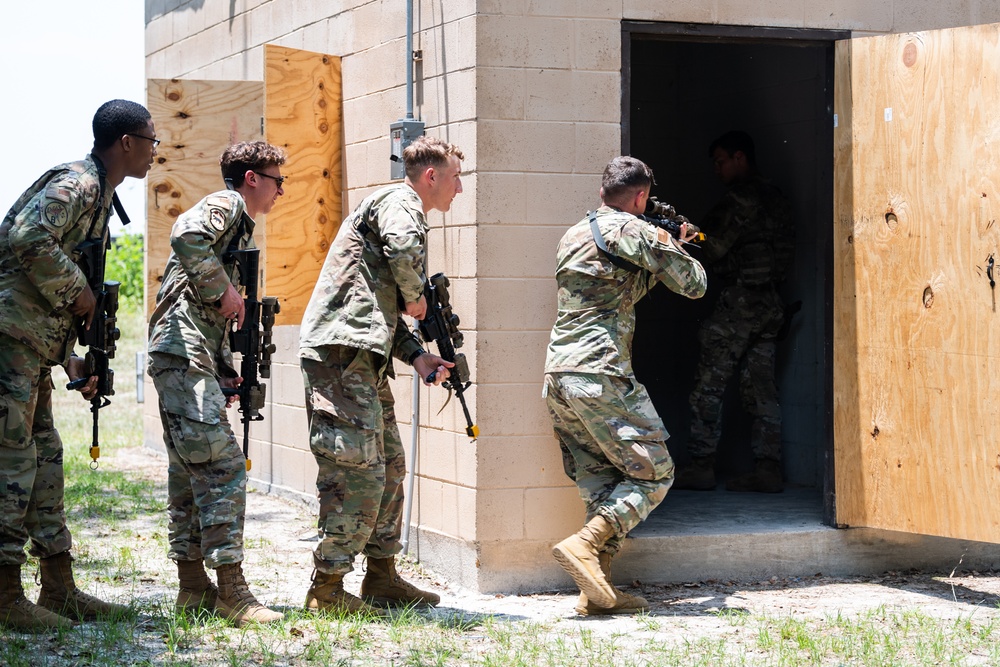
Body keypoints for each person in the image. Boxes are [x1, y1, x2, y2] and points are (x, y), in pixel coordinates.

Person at [0, 99, 155, 630]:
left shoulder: (101, 196)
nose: (155, 151)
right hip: (8, 340)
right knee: (12, 459)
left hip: (30, 345)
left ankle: (59, 588)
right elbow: (25, 239)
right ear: (126, 144)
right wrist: (82, 295)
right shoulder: (79, 184)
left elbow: (48, 289)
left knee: (44, 456)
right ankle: (3, 595)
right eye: (150, 140)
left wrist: (71, 358)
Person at [298, 135, 462, 615]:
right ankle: (325, 588)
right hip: (340, 355)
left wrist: (417, 356)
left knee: (389, 465)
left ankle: (382, 576)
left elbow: (378, 309)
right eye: (455, 178)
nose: (459, 189)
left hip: (363, 355)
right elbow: (401, 248)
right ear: (430, 176)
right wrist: (416, 295)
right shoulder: (400, 202)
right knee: (357, 468)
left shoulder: (399, 209)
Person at [544, 156, 707, 616]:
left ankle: (595, 593)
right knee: (655, 471)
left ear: (602, 193)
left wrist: (655, 256)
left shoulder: (575, 234)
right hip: (601, 371)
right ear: (640, 198)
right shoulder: (636, 231)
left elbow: (615, 291)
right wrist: (673, 244)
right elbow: (694, 284)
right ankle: (585, 544)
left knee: (603, 481)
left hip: (561, 375)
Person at [147, 140, 287, 626]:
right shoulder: (227, 204)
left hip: (187, 353)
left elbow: (198, 305)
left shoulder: (237, 227)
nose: (280, 192)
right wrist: (223, 287)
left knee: (190, 470)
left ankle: (193, 589)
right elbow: (185, 233)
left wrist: (224, 365)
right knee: (223, 463)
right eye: (276, 181)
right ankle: (232, 590)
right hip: (180, 352)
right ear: (252, 179)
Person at [676, 130, 796, 493]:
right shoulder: (776, 197)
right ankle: (768, 469)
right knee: (761, 388)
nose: (716, 169)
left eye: (720, 161)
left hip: (740, 305)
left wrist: (686, 235)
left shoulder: (739, 200)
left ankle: (700, 466)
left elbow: (710, 248)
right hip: (771, 304)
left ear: (740, 157)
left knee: (708, 385)